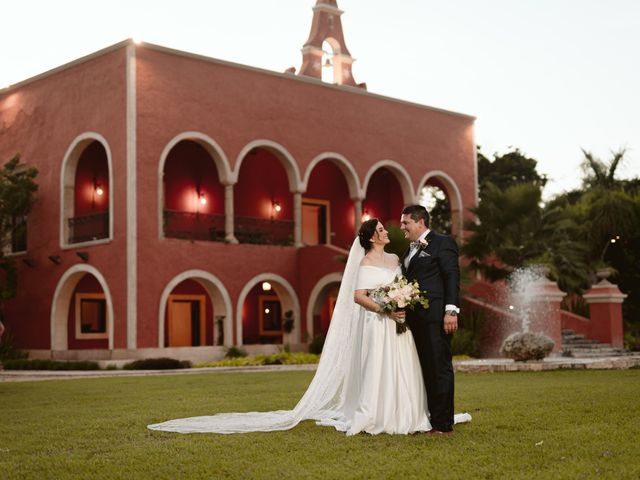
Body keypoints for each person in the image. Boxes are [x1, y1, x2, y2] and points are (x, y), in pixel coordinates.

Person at [148, 219, 470, 435]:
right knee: (378, 370)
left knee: (405, 369)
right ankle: (377, 414)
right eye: (385, 228)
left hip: (399, 326)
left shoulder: (398, 260)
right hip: (378, 323)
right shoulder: (365, 263)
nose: (392, 230)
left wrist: (403, 304)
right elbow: (359, 296)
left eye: (398, 225)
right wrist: (386, 307)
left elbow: (408, 285)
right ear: (373, 236)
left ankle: (412, 413)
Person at [400, 205, 460, 435]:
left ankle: (444, 425)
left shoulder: (443, 242)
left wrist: (451, 311)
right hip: (415, 320)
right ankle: (432, 418)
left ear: (420, 222)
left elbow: (451, 276)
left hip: (436, 317)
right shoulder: (409, 251)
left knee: (439, 367)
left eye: (406, 222)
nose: (402, 227)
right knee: (425, 369)